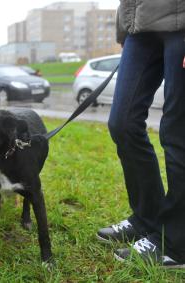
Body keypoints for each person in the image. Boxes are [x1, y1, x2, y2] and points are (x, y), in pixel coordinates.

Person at [97, 1, 185, 268]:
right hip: (140, 28)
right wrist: (125, 29)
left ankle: (177, 245)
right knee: (122, 124)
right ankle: (148, 218)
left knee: (177, 133)